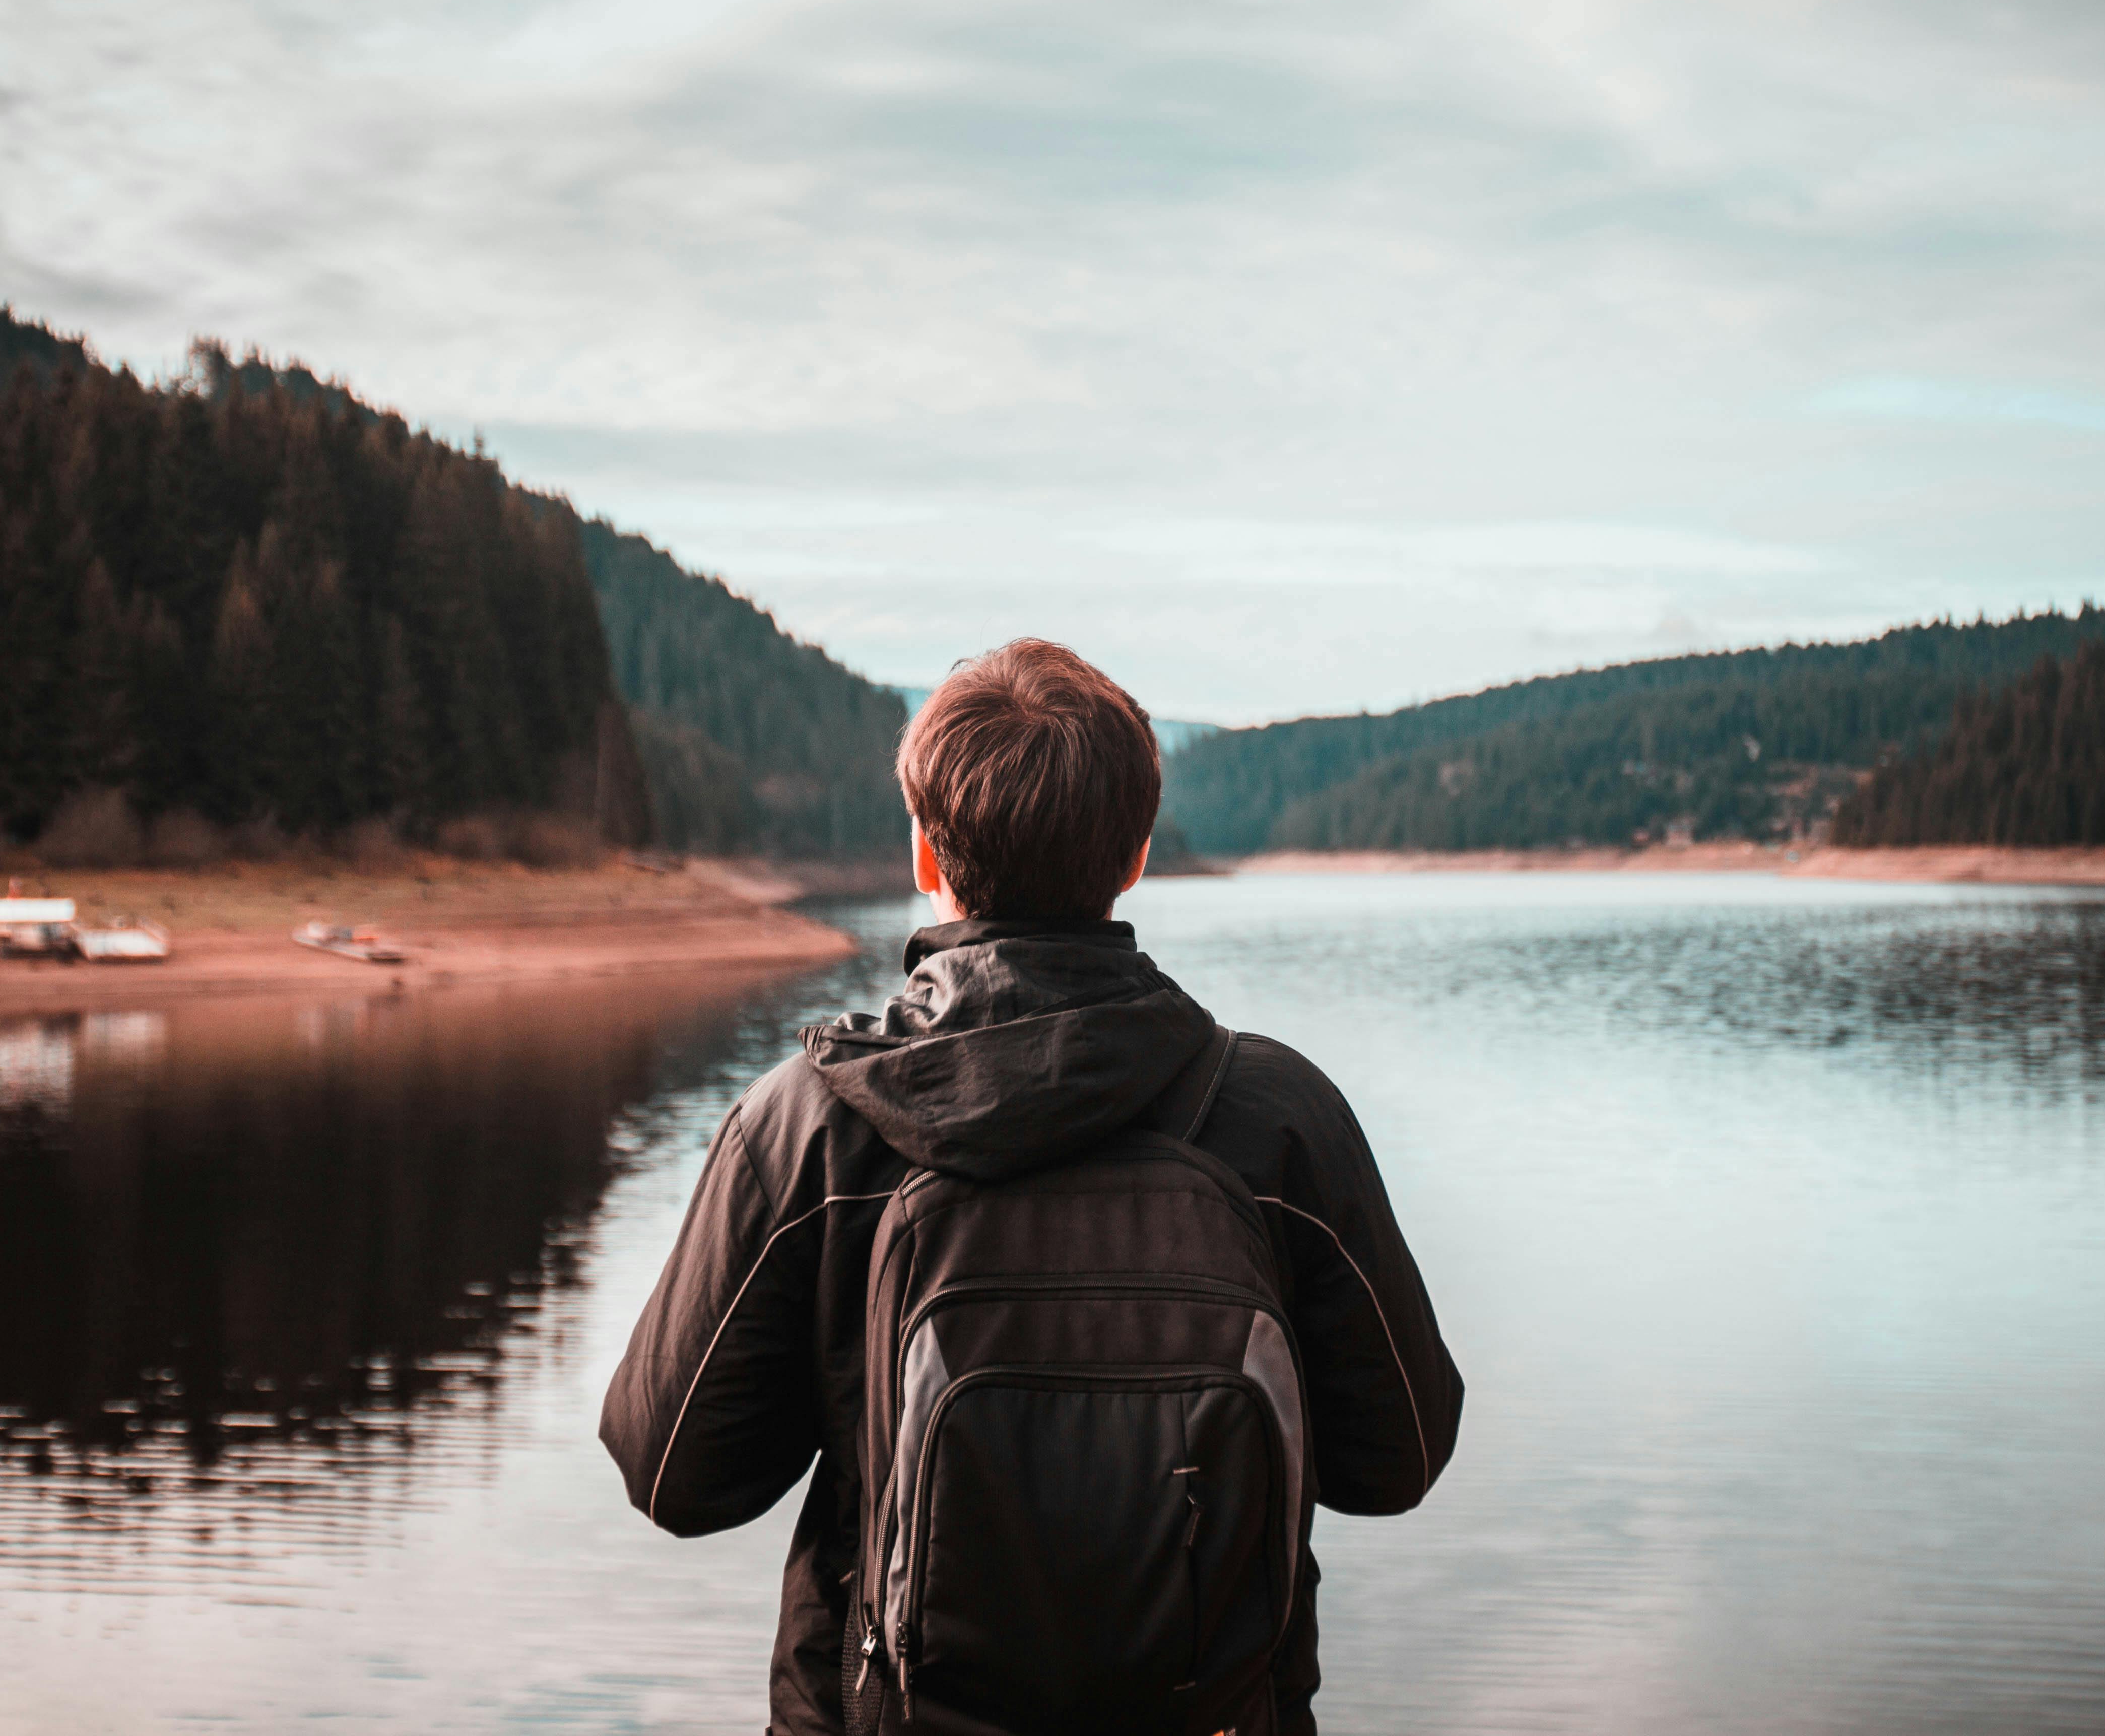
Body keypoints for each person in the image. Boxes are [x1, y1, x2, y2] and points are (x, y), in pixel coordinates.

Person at [601, 639, 1463, 1735]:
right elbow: (1398, 1462)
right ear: (1136, 856)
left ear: (925, 852)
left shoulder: (808, 1128)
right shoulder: (1280, 1119)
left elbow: (675, 1478)